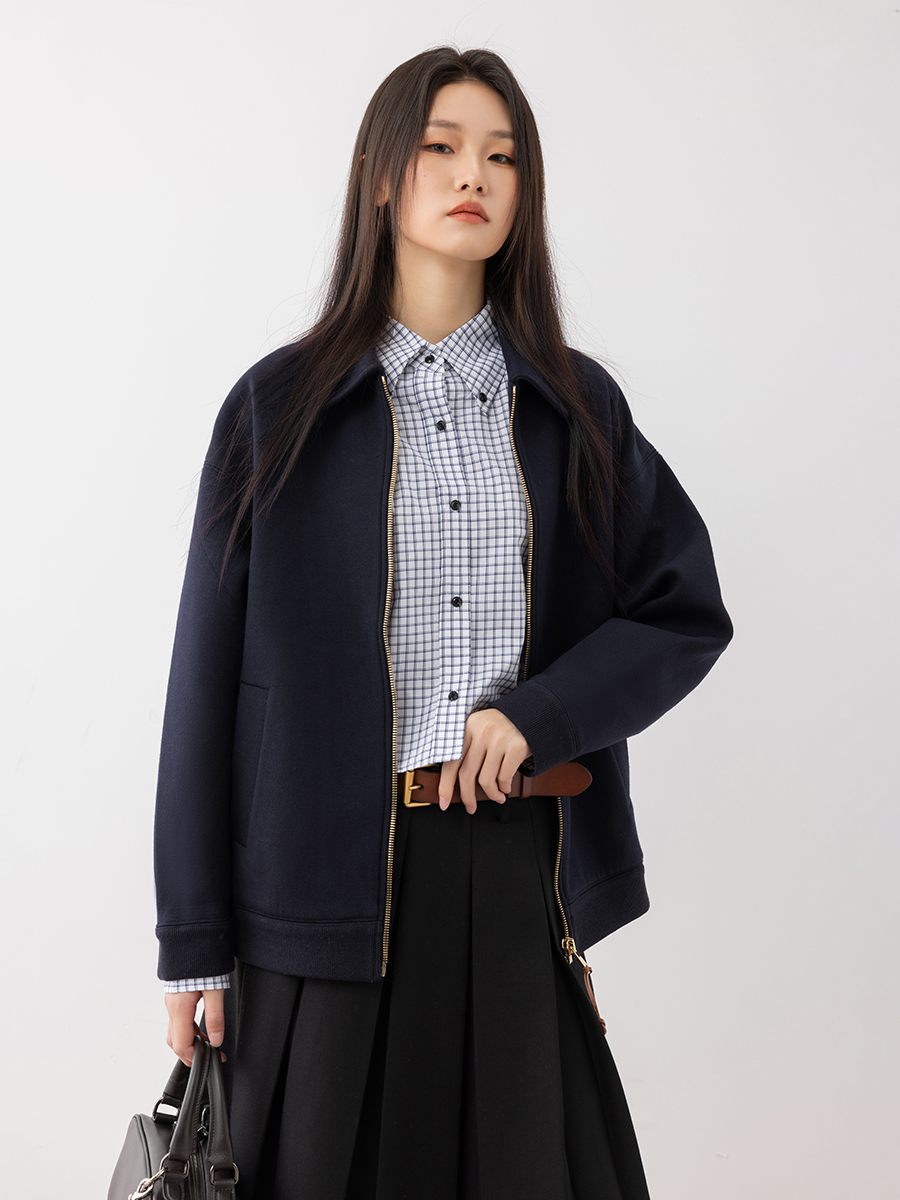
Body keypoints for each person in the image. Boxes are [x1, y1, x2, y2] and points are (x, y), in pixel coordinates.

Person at [154, 45, 732, 1200]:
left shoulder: (573, 406)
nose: (475, 174)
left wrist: (540, 716)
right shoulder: (278, 408)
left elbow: (684, 611)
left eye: (503, 157)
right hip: (319, 897)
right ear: (383, 175)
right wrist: (192, 945)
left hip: (516, 875)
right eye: (442, 146)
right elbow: (203, 686)